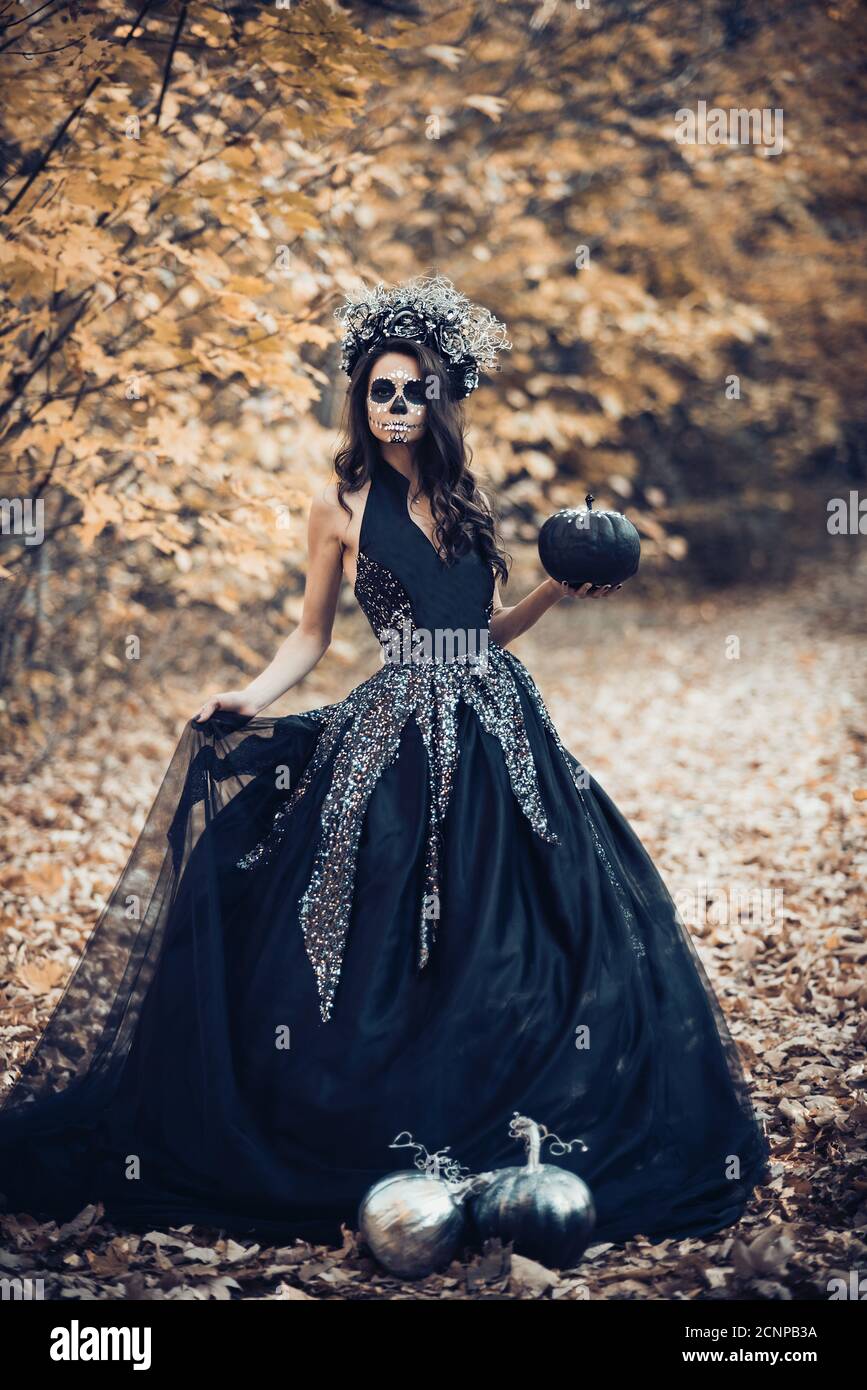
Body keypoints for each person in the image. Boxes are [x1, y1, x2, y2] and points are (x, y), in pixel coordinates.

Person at [0, 274, 769, 1252]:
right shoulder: (335, 502)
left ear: (437, 401)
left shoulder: (464, 494)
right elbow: (310, 633)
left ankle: (517, 1110)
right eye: (379, 389)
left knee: (534, 926)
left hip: (499, 725)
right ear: (360, 398)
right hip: (392, 726)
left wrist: (552, 591)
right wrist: (253, 695)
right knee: (371, 934)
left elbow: (481, 631)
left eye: (412, 390)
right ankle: (373, 1119)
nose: (395, 405)